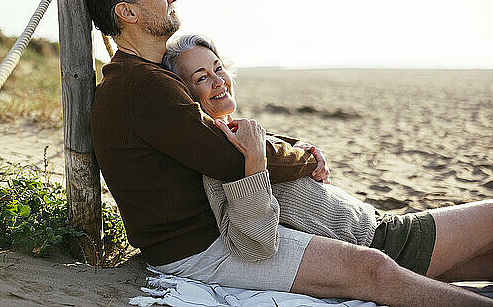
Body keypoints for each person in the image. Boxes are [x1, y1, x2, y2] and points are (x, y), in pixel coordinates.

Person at [86, 0, 493, 306]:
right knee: (373, 268)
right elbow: (231, 156)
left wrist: (289, 147)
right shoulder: (141, 84)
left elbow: (227, 144)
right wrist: (304, 156)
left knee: (400, 261)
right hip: (201, 250)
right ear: (128, 13)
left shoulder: (145, 77)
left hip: (207, 238)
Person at [161, 32, 493, 279]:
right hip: (383, 242)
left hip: (376, 224)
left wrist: (303, 152)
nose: (219, 80)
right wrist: (256, 165)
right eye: (201, 78)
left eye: (218, 68)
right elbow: (254, 243)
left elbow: (279, 154)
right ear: (187, 95)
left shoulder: (237, 135)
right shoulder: (219, 159)